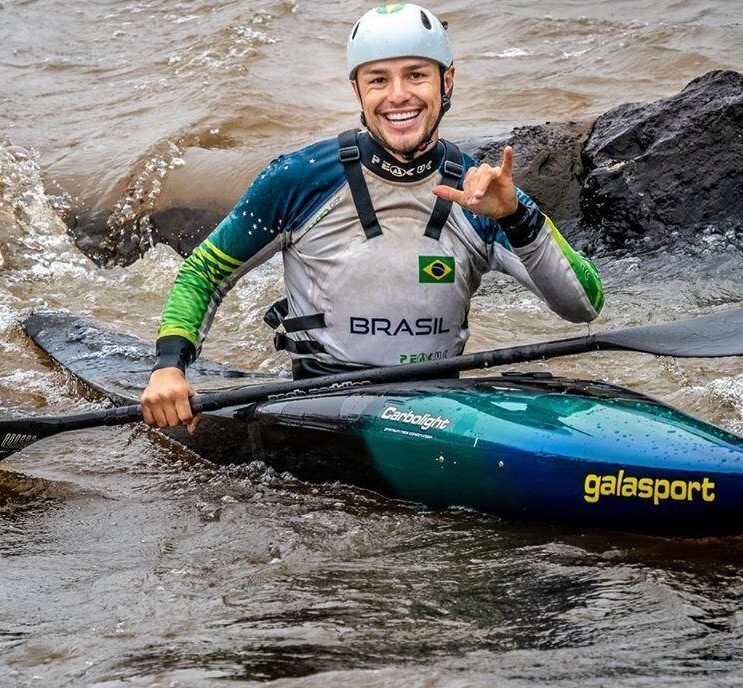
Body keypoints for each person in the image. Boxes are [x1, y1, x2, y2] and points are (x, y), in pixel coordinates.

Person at [140, 2, 604, 432]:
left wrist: (515, 216)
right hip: (322, 404)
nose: (398, 96)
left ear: (447, 81)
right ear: (356, 90)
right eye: (378, 79)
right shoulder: (299, 180)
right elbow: (205, 272)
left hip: (439, 407)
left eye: (416, 75)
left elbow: (583, 305)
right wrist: (168, 368)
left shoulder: (484, 195)